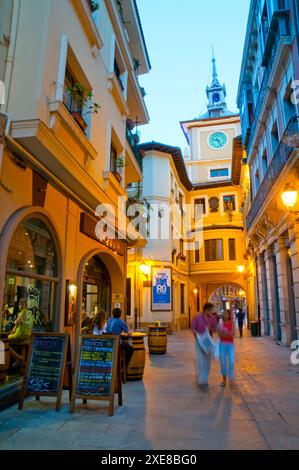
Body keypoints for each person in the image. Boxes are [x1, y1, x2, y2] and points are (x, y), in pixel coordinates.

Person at [192, 302, 217, 390]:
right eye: (211, 310)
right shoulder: (198, 317)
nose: (212, 312)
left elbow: (214, 330)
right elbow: (193, 328)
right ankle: (201, 380)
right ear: (206, 310)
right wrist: (198, 334)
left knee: (207, 361)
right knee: (200, 360)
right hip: (199, 341)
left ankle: (205, 379)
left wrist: (211, 329)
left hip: (208, 342)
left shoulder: (213, 319)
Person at [217, 309, 235, 388]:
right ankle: (224, 380)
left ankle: (231, 379)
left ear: (229, 315)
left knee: (231, 361)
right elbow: (219, 334)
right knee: (223, 362)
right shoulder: (220, 322)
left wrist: (225, 333)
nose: (226, 315)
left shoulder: (232, 322)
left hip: (230, 344)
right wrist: (228, 333)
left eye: (227, 314)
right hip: (222, 344)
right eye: (224, 313)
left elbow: (233, 334)